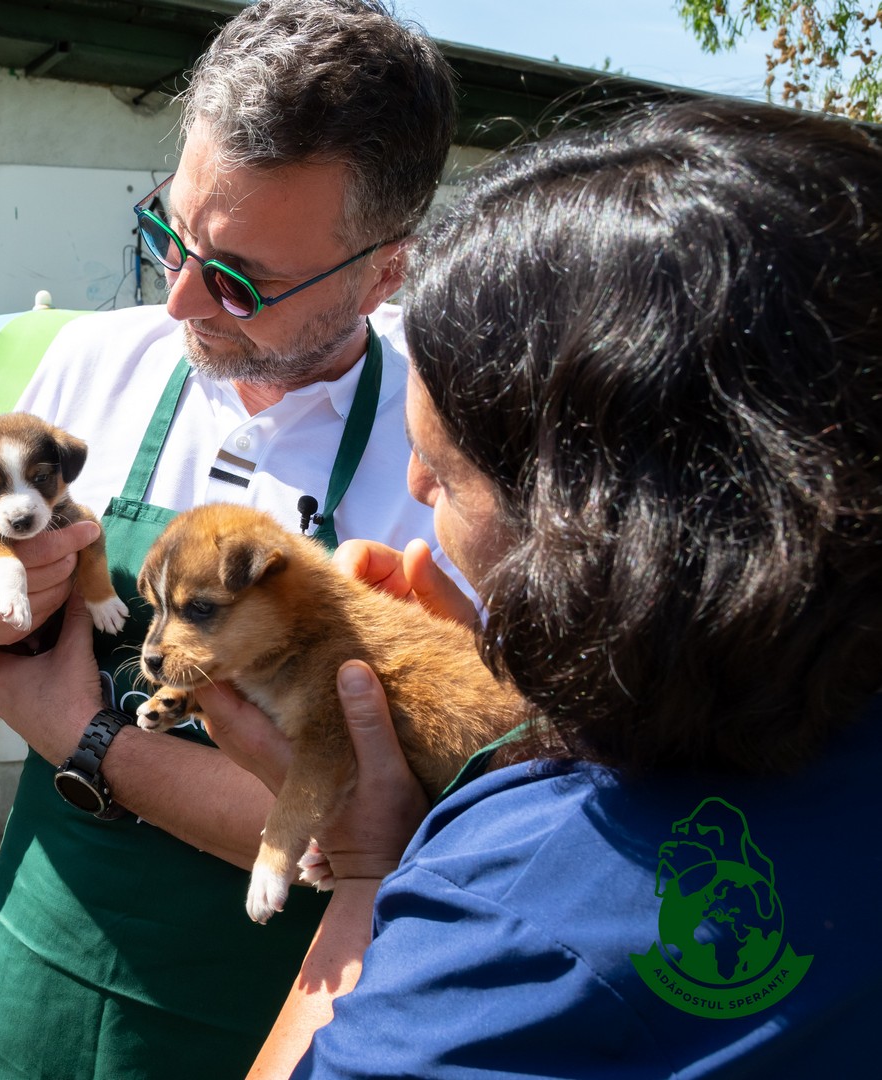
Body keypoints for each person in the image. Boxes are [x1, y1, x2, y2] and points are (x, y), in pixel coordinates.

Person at [224, 98, 882, 1075]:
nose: (414, 489)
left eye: (445, 472)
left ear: (599, 530)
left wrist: (368, 870)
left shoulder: (511, 927)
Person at [0, 1, 461, 1075]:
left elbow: (378, 834)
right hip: (34, 948)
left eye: (240, 279)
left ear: (385, 273)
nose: (181, 300)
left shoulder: (447, 448)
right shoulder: (92, 364)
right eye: (169, 234)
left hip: (273, 995)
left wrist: (86, 737)